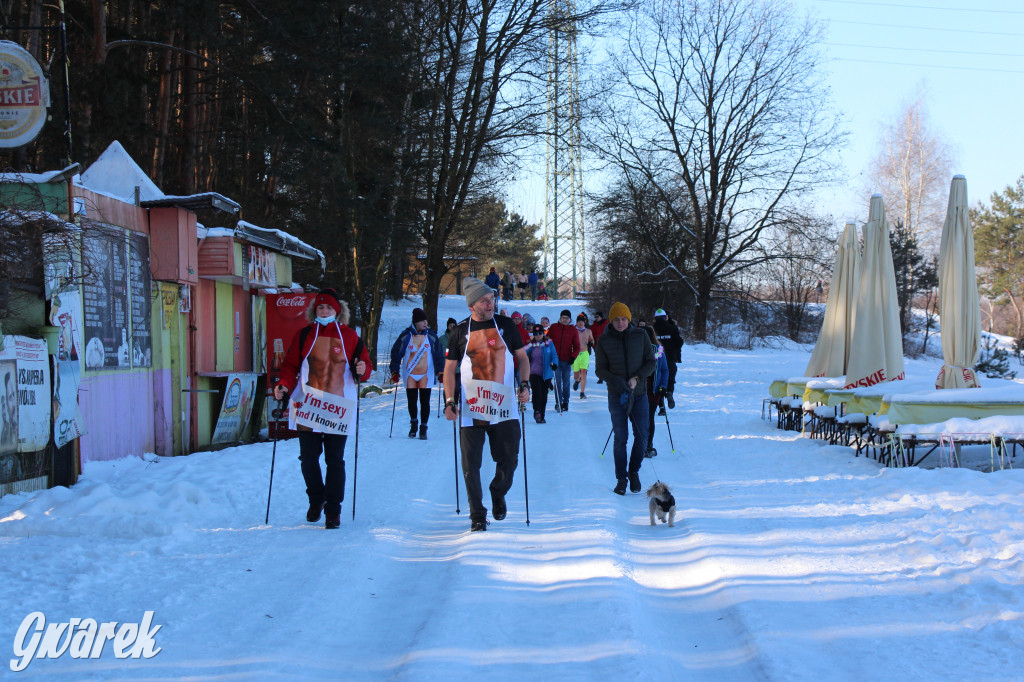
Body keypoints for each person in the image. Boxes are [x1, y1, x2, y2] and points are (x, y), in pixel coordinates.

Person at [273, 288, 371, 529]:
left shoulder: (350, 337)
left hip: (338, 406)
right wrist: (283, 385)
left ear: (337, 311)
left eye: (328, 307)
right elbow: (290, 366)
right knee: (308, 458)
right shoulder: (304, 334)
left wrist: (363, 371)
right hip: (309, 405)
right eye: (320, 307)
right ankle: (316, 500)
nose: (324, 311)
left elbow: (365, 366)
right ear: (314, 310)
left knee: (334, 460)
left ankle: (333, 510)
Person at [443, 277, 531, 532]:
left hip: (503, 406)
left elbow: (522, 358)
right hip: (473, 408)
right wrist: (450, 401)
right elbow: (449, 370)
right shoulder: (460, 331)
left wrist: (524, 384)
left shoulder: (505, 326)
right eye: (484, 300)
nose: (490, 303)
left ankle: (498, 491)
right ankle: (477, 514)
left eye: (492, 298)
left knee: (510, 459)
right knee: (471, 464)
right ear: (472, 305)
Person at [595, 302, 656, 495]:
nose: (620, 323)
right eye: (616, 320)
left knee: (642, 436)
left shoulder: (641, 335)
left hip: (639, 395)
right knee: (621, 438)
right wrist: (615, 380)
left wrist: (637, 378)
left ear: (629, 320)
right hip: (617, 395)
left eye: (623, 319)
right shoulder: (604, 341)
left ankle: (634, 471)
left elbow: (651, 362)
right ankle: (621, 478)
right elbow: (600, 369)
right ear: (611, 321)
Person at [390, 308, 445, 439]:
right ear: (415, 322)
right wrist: (394, 370)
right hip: (410, 374)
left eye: (426, 320)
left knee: (425, 402)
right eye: (422, 321)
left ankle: (423, 428)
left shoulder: (431, 336)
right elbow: (396, 353)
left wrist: (440, 371)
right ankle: (414, 425)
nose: (425, 323)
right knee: (412, 401)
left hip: (426, 374)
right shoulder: (406, 335)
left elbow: (439, 356)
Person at [642, 325, 669, 457]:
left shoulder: (658, 350)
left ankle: (648, 444)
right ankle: (641, 443)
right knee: (640, 417)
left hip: (653, 389)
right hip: (639, 387)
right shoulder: (636, 350)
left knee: (649, 417)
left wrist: (663, 386)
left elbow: (664, 369)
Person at [546, 309, 580, 412]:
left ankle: (566, 402)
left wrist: (573, 357)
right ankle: (558, 402)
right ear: (560, 318)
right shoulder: (554, 327)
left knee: (566, 383)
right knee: (557, 382)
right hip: (556, 361)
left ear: (570, 319)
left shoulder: (573, 329)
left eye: (567, 318)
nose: (565, 320)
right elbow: (547, 341)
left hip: (567, 360)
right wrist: (550, 356)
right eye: (563, 318)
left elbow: (577, 346)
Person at [652, 309, 684, 409]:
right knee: (670, 378)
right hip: (669, 357)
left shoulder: (651, 329)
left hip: (657, 357)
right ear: (665, 317)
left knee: (658, 378)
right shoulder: (672, 328)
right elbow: (679, 342)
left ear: (655, 318)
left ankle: (660, 400)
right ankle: (669, 393)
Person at [526, 324, 557, 423]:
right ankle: (537, 411)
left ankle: (542, 415)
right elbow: (523, 352)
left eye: (540, 333)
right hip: (534, 372)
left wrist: (554, 363)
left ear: (543, 333)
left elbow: (554, 355)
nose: (538, 335)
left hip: (546, 374)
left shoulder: (549, 344)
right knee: (537, 393)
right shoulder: (531, 344)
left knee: (544, 395)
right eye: (536, 333)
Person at [572, 313, 594, 399]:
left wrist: (591, 343)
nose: (580, 323)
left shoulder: (588, 331)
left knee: (584, 372)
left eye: (582, 321)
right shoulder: (573, 330)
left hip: (585, 353)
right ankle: (577, 381)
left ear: (585, 322)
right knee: (576, 375)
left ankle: (582, 393)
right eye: (579, 321)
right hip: (575, 354)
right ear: (577, 322)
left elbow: (592, 340)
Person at [590, 311, 608, 384]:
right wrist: (593, 345)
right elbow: (591, 337)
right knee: (599, 362)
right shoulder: (593, 326)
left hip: (606, 346)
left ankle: (607, 376)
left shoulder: (607, 324)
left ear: (601, 317)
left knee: (607, 361)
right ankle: (600, 377)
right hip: (597, 346)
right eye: (595, 317)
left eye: (597, 317)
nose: (596, 318)